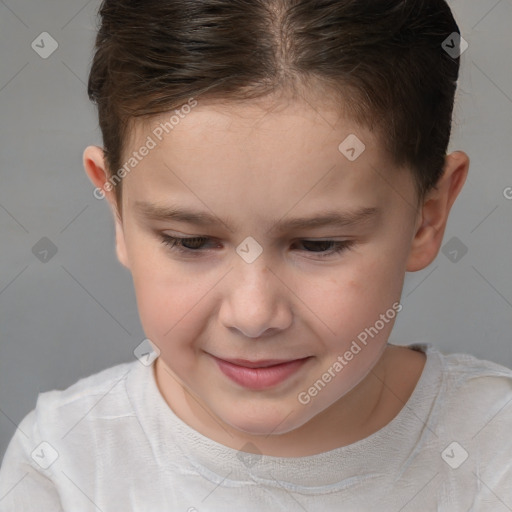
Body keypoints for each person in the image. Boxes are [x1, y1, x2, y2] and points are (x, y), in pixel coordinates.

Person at [1, 1, 511, 510]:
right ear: (117, 209)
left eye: (318, 244)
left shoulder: (496, 452)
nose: (252, 315)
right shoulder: (65, 465)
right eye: (190, 241)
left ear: (428, 213)